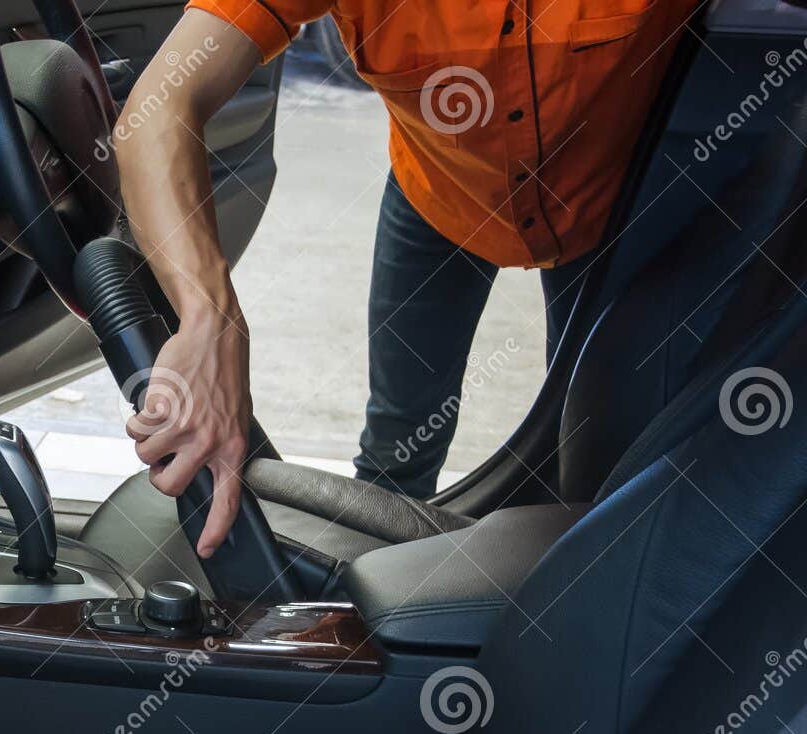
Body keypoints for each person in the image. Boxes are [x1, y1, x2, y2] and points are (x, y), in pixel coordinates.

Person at [114, 1, 699, 557]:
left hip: (607, 209)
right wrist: (210, 319)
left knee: (603, 453)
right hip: (438, 194)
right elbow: (156, 112)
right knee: (398, 448)